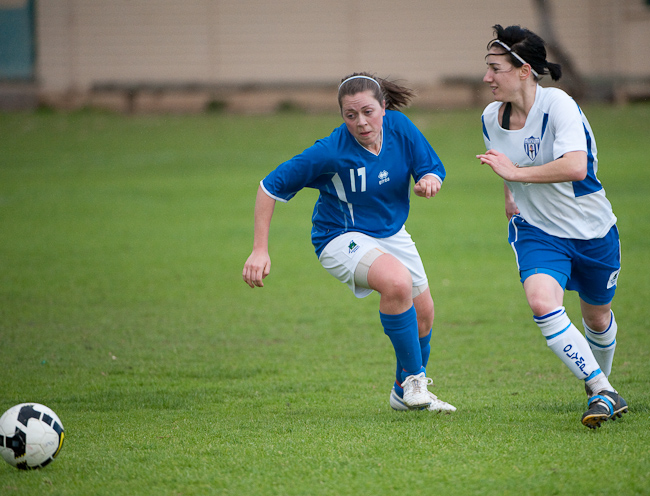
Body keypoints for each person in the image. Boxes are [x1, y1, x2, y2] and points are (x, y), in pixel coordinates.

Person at [243, 72, 456, 413]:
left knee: (424, 314)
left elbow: (431, 169)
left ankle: (403, 393)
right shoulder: (329, 151)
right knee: (396, 283)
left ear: (384, 107)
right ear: (342, 116)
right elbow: (270, 186)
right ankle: (415, 382)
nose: (361, 122)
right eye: (351, 115)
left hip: (391, 232)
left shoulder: (400, 127)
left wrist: (429, 181)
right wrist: (259, 249)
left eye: (368, 112)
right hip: (339, 236)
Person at [476, 25, 627, 429]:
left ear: (524, 70)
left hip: (592, 230)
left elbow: (576, 166)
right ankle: (601, 387)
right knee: (543, 302)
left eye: (495, 68)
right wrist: (511, 195)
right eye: (486, 68)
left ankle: (601, 383)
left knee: (596, 318)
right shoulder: (491, 116)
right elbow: (506, 166)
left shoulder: (558, 104)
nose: (487, 77)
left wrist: (517, 175)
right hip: (537, 230)